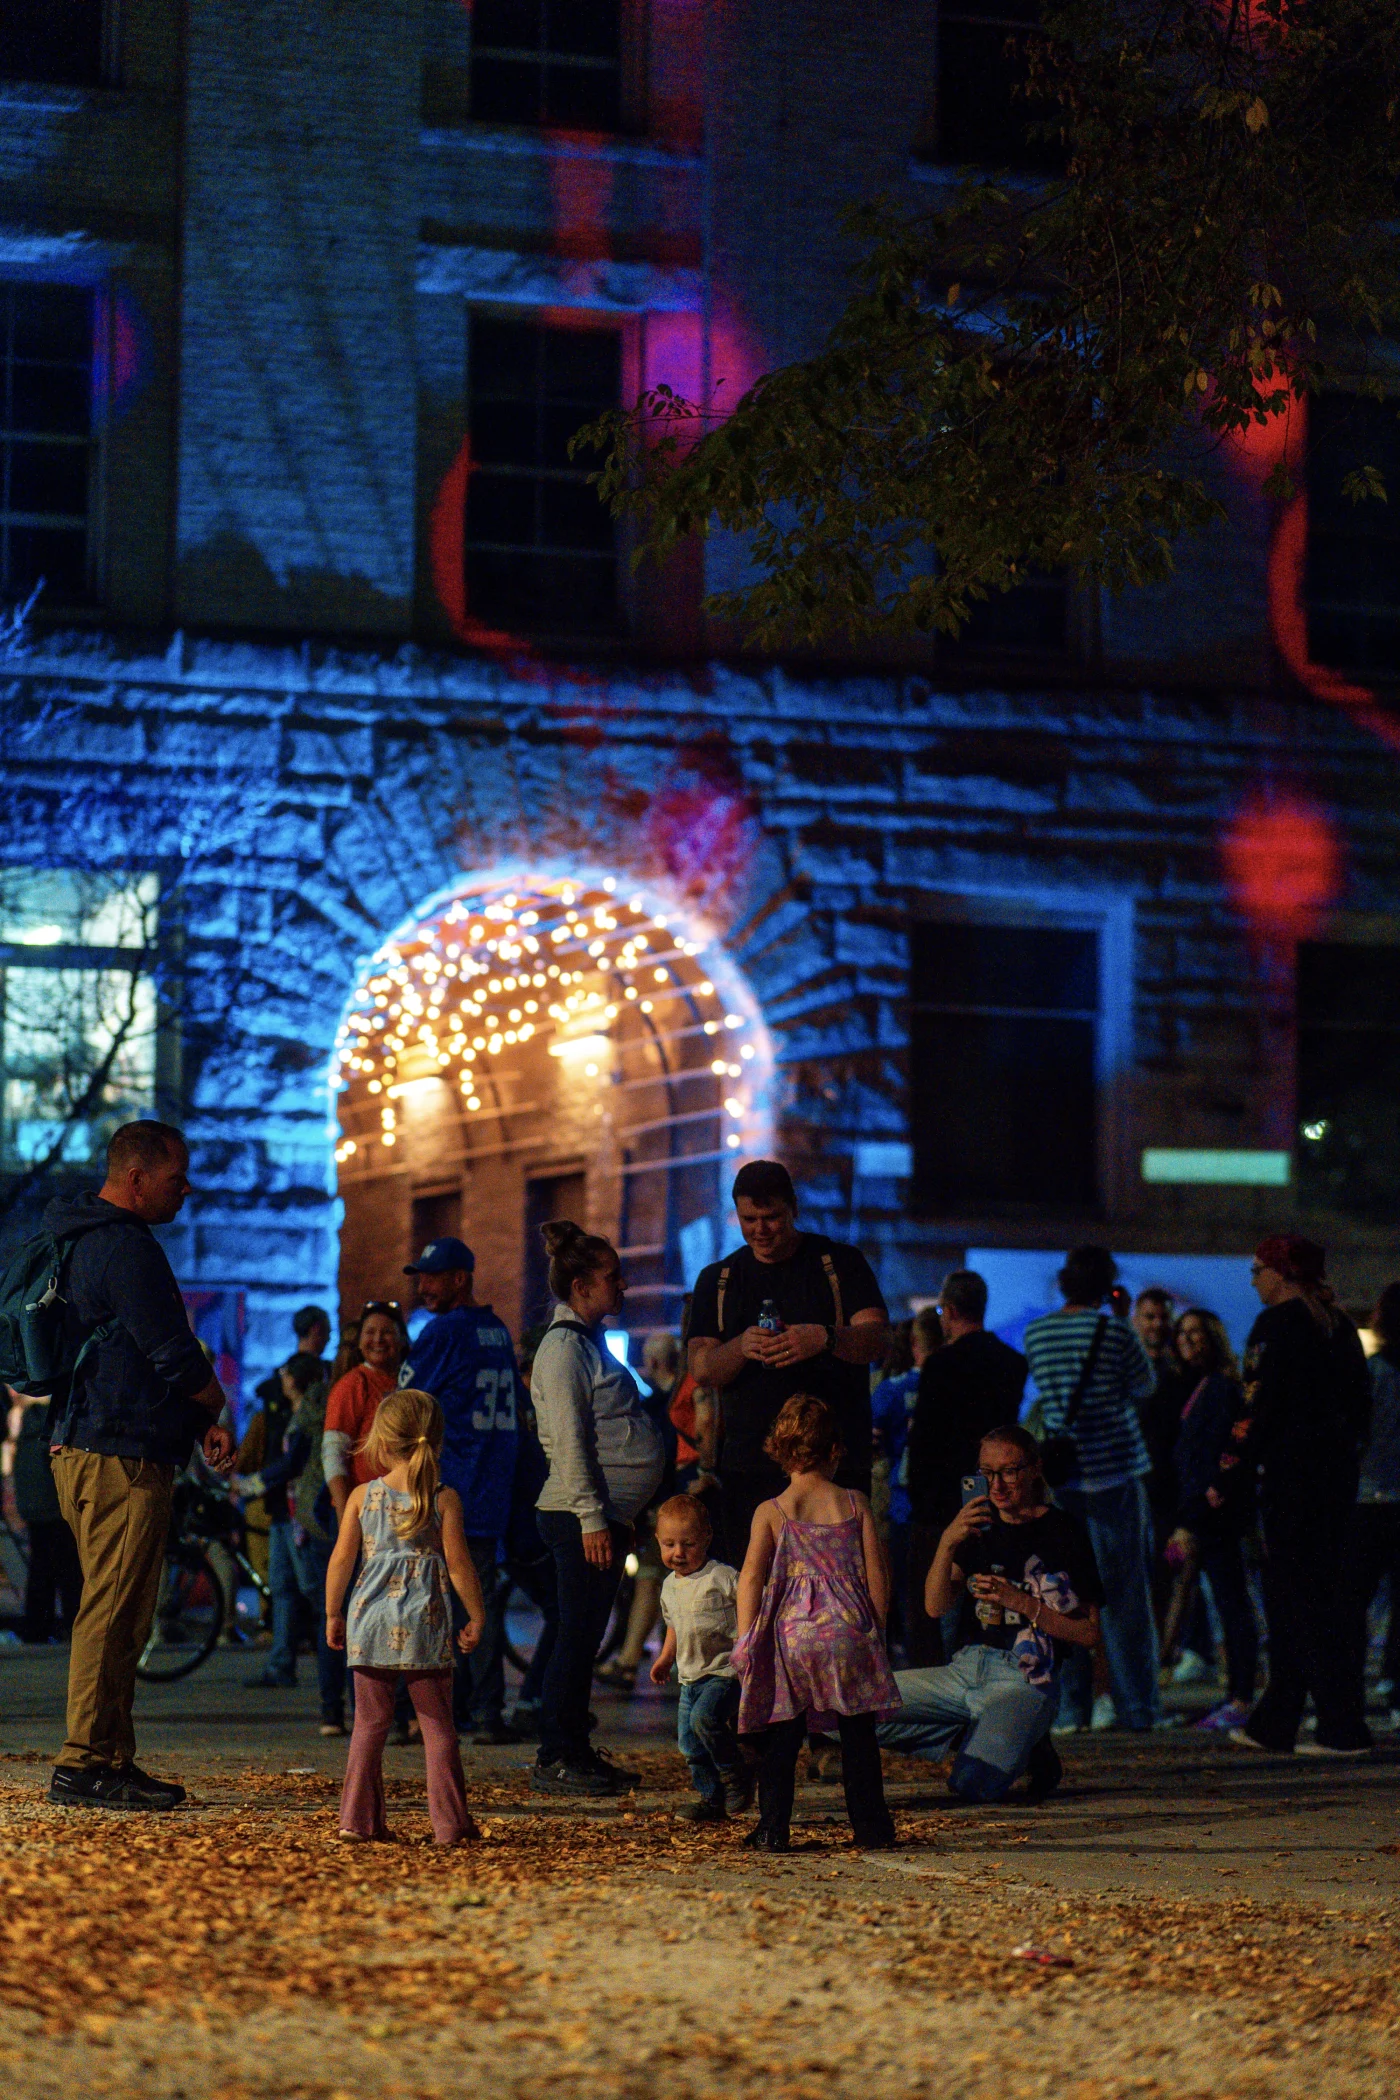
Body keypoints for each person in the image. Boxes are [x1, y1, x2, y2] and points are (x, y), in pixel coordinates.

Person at [44, 1121, 235, 1812]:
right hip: (118, 1453)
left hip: (92, 1445)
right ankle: (85, 1764)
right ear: (136, 1179)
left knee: (122, 1610)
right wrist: (214, 1404)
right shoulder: (124, 1247)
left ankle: (110, 1758)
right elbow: (171, 1352)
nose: (186, 1190)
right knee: (113, 1611)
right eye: (176, 1178)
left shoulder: (79, 1239)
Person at [879, 1424, 1102, 1802]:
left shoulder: (1063, 1530)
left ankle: (1024, 1743)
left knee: (971, 1785)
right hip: (966, 1669)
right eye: (986, 1473)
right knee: (844, 1712)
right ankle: (977, 1734)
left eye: (1009, 1472)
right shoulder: (978, 1526)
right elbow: (935, 1606)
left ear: (1034, 1469)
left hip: (1025, 1678)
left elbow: (1089, 1633)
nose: (996, 1485)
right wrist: (947, 1542)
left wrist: (1022, 1603)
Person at [687, 1159, 890, 1569]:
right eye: (749, 1219)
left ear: (793, 1208)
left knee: (837, 1586)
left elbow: (879, 1339)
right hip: (749, 1468)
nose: (760, 1230)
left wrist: (825, 1338)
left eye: (772, 1217)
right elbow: (701, 1368)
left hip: (834, 1468)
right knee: (754, 1587)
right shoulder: (718, 1280)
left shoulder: (841, 1264)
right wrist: (740, 1346)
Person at [1219, 1235, 1372, 1757]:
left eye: (1258, 1270)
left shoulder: (1276, 1326)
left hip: (1290, 1483)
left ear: (1281, 1272)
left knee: (1294, 1602)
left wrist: (1228, 1475)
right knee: (1324, 1600)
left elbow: (1255, 1410)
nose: (1254, 1280)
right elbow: (1361, 1407)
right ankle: (1292, 1720)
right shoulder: (1340, 1327)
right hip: (1337, 1481)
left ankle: (1328, 1725)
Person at [528, 1221, 665, 1796]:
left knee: (582, 1639)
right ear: (582, 1287)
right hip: (578, 1518)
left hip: (600, 1517)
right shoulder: (564, 1351)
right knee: (576, 1639)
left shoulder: (584, 1345)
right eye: (613, 1277)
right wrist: (591, 1518)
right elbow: (569, 1442)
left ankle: (574, 1748)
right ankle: (558, 1754)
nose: (623, 1284)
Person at [732, 1392, 899, 1852]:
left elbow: (750, 1578)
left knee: (782, 1735)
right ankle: (871, 1827)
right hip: (849, 1632)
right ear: (835, 1449)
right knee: (858, 1736)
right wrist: (877, 1630)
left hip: (793, 1638)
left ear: (779, 1450)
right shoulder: (854, 1503)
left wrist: (746, 1639)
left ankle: (773, 1827)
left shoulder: (772, 1511)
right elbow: (877, 1574)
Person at [327, 1388, 485, 1844]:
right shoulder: (443, 1498)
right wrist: (476, 1615)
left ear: (381, 1439)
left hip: (370, 1621)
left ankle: (357, 1821)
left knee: (369, 1724)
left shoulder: (362, 1496)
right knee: (437, 1726)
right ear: (436, 1439)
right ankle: (450, 1825)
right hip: (424, 1623)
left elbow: (342, 1559)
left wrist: (333, 1612)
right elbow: (459, 1565)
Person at [1023, 1245, 1159, 1731]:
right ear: (1105, 1285)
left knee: (1065, 1594)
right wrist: (1120, 1320)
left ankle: (1070, 1709)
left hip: (1064, 1478)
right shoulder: (1116, 1331)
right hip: (1115, 1475)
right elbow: (1145, 1386)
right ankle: (1137, 1707)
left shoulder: (1037, 1332)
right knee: (1125, 1598)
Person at [401, 1237, 521, 1745]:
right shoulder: (496, 1329)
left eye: (433, 1277)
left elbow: (403, 1404)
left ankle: (461, 1710)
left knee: (441, 1600)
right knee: (478, 1597)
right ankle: (480, 1709)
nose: (423, 1287)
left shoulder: (443, 1331)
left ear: (460, 1278)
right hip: (493, 1485)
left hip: (452, 1486)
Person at [904, 1271, 1028, 1667]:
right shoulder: (1011, 1363)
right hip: (997, 1495)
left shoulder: (940, 1365)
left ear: (950, 1310)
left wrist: (920, 1502)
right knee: (989, 1603)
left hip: (942, 1500)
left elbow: (924, 1442)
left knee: (938, 1606)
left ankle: (944, 1685)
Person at [1163, 1309, 1258, 1732]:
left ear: (1213, 1337)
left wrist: (1197, 1510)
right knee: (1224, 1604)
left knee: (1231, 1604)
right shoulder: (1204, 1383)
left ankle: (1240, 1696)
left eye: (1196, 1332)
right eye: (1182, 1332)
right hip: (1207, 1510)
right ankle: (1235, 1693)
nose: (1187, 1339)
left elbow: (1218, 1451)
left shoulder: (1219, 1386)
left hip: (1215, 1513)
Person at [649, 1492, 750, 1822]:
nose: (678, 1553)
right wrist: (666, 1658)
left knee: (704, 1720)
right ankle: (711, 1799)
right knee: (690, 1745)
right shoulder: (669, 1586)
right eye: (669, 1544)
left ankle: (736, 1773)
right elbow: (674, 1625)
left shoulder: (721, 1577)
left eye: (688, 1544)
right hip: (689, 1678)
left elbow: (752, 1601)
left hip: (723, 1671)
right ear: (658, 1540)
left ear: (706, 1537)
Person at [596, 1330, 682, 1690]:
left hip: (666, 1505)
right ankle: (658, 1658)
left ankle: (629, 1661)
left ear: (654, 1362)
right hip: (687, 1499)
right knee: (668, 1579)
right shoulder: (685, 1397)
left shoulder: (658, 1408)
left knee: (649, 1577)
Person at [237, 1353, 326, 1695]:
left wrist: (253, 1483)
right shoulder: (293, 1412)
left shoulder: (309, 1414)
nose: (282, 1378)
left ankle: (335, 1664)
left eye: (287, 1372)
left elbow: (292, 1462)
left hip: (299, 1514)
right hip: (283, 1511)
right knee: (283, 1587)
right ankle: (280, 1665)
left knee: (312, 1589)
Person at [1342, 1282, 1400, 1726]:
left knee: (1352, 1600)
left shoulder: (1374, 1373)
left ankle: (1347, 1696)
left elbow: (1354, 1436)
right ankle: (1395, 1686)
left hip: (1368, 1499)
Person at [870, 1307, 943, 1653]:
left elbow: (871, 1439)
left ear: (915, 1343)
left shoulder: (891, 1390)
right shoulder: (951, 1385)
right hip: (944, 1501)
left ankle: (915, 1659)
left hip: (903, 1502)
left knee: (909, 1589)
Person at [322, 1303, 408, 1521]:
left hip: (401, 1510)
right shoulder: (353, 1385)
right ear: (359, 1342)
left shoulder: (410, 1383)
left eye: (387, 1332)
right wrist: (346, 1516)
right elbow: (334, 1454)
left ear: (402, 1339)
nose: (378, 1339)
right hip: (365, 1512)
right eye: (370, 1332)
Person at [11, 1395, 82, 1643]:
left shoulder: (25, 1438)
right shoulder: (49, 1438)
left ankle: (38, 1627)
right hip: (55, 1511)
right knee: (69, 1571)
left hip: (35, 1513)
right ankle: (75, 1625)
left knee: (41, 1570)